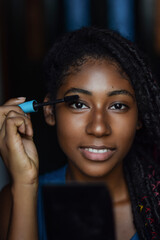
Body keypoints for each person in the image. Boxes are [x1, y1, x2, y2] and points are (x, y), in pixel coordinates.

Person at [0, 26, 160, 240]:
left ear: (139, 117)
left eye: (118, 106)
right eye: (78, 104)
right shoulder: (15, 199)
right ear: (49, 111)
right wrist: (25, 185)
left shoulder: (155, 204)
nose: (98, 128)